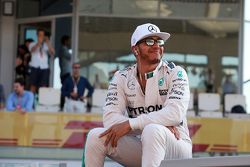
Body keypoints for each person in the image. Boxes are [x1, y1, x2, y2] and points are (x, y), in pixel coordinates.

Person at [84, 23, 192, 167]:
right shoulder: (121, 77)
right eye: (149, 41)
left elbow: (175, 113)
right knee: (95, 136)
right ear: (135, 49)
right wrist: (159, 122)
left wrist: (131, 124)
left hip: (176, 146)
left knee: (153, 131)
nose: (156, 45)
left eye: (159, 41)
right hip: (141, 144)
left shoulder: (176, 72)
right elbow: (110, 119)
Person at [28, 28, 55, 94]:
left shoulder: (47, 45)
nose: (41, 36)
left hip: (44, 68)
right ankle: (31, 103)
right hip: (34, 67)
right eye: (40, 35)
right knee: (33, 85)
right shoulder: (32, 44)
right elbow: (32, 50)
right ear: (37, 35)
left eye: (42, 35)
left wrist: (47, 42)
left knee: (43, 87)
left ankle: (41, 103)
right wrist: (38, 43)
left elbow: (53, 53)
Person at [59, 35, 72, 111]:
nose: (70, 42)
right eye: (69, 41)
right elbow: (70, 56)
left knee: (66, 88)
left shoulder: (64, 49)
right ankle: (62, 106)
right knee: (65, 89)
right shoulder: (63, 49)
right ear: (65, 41)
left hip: (65, 72)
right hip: (65, 72)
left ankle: (63, 105)